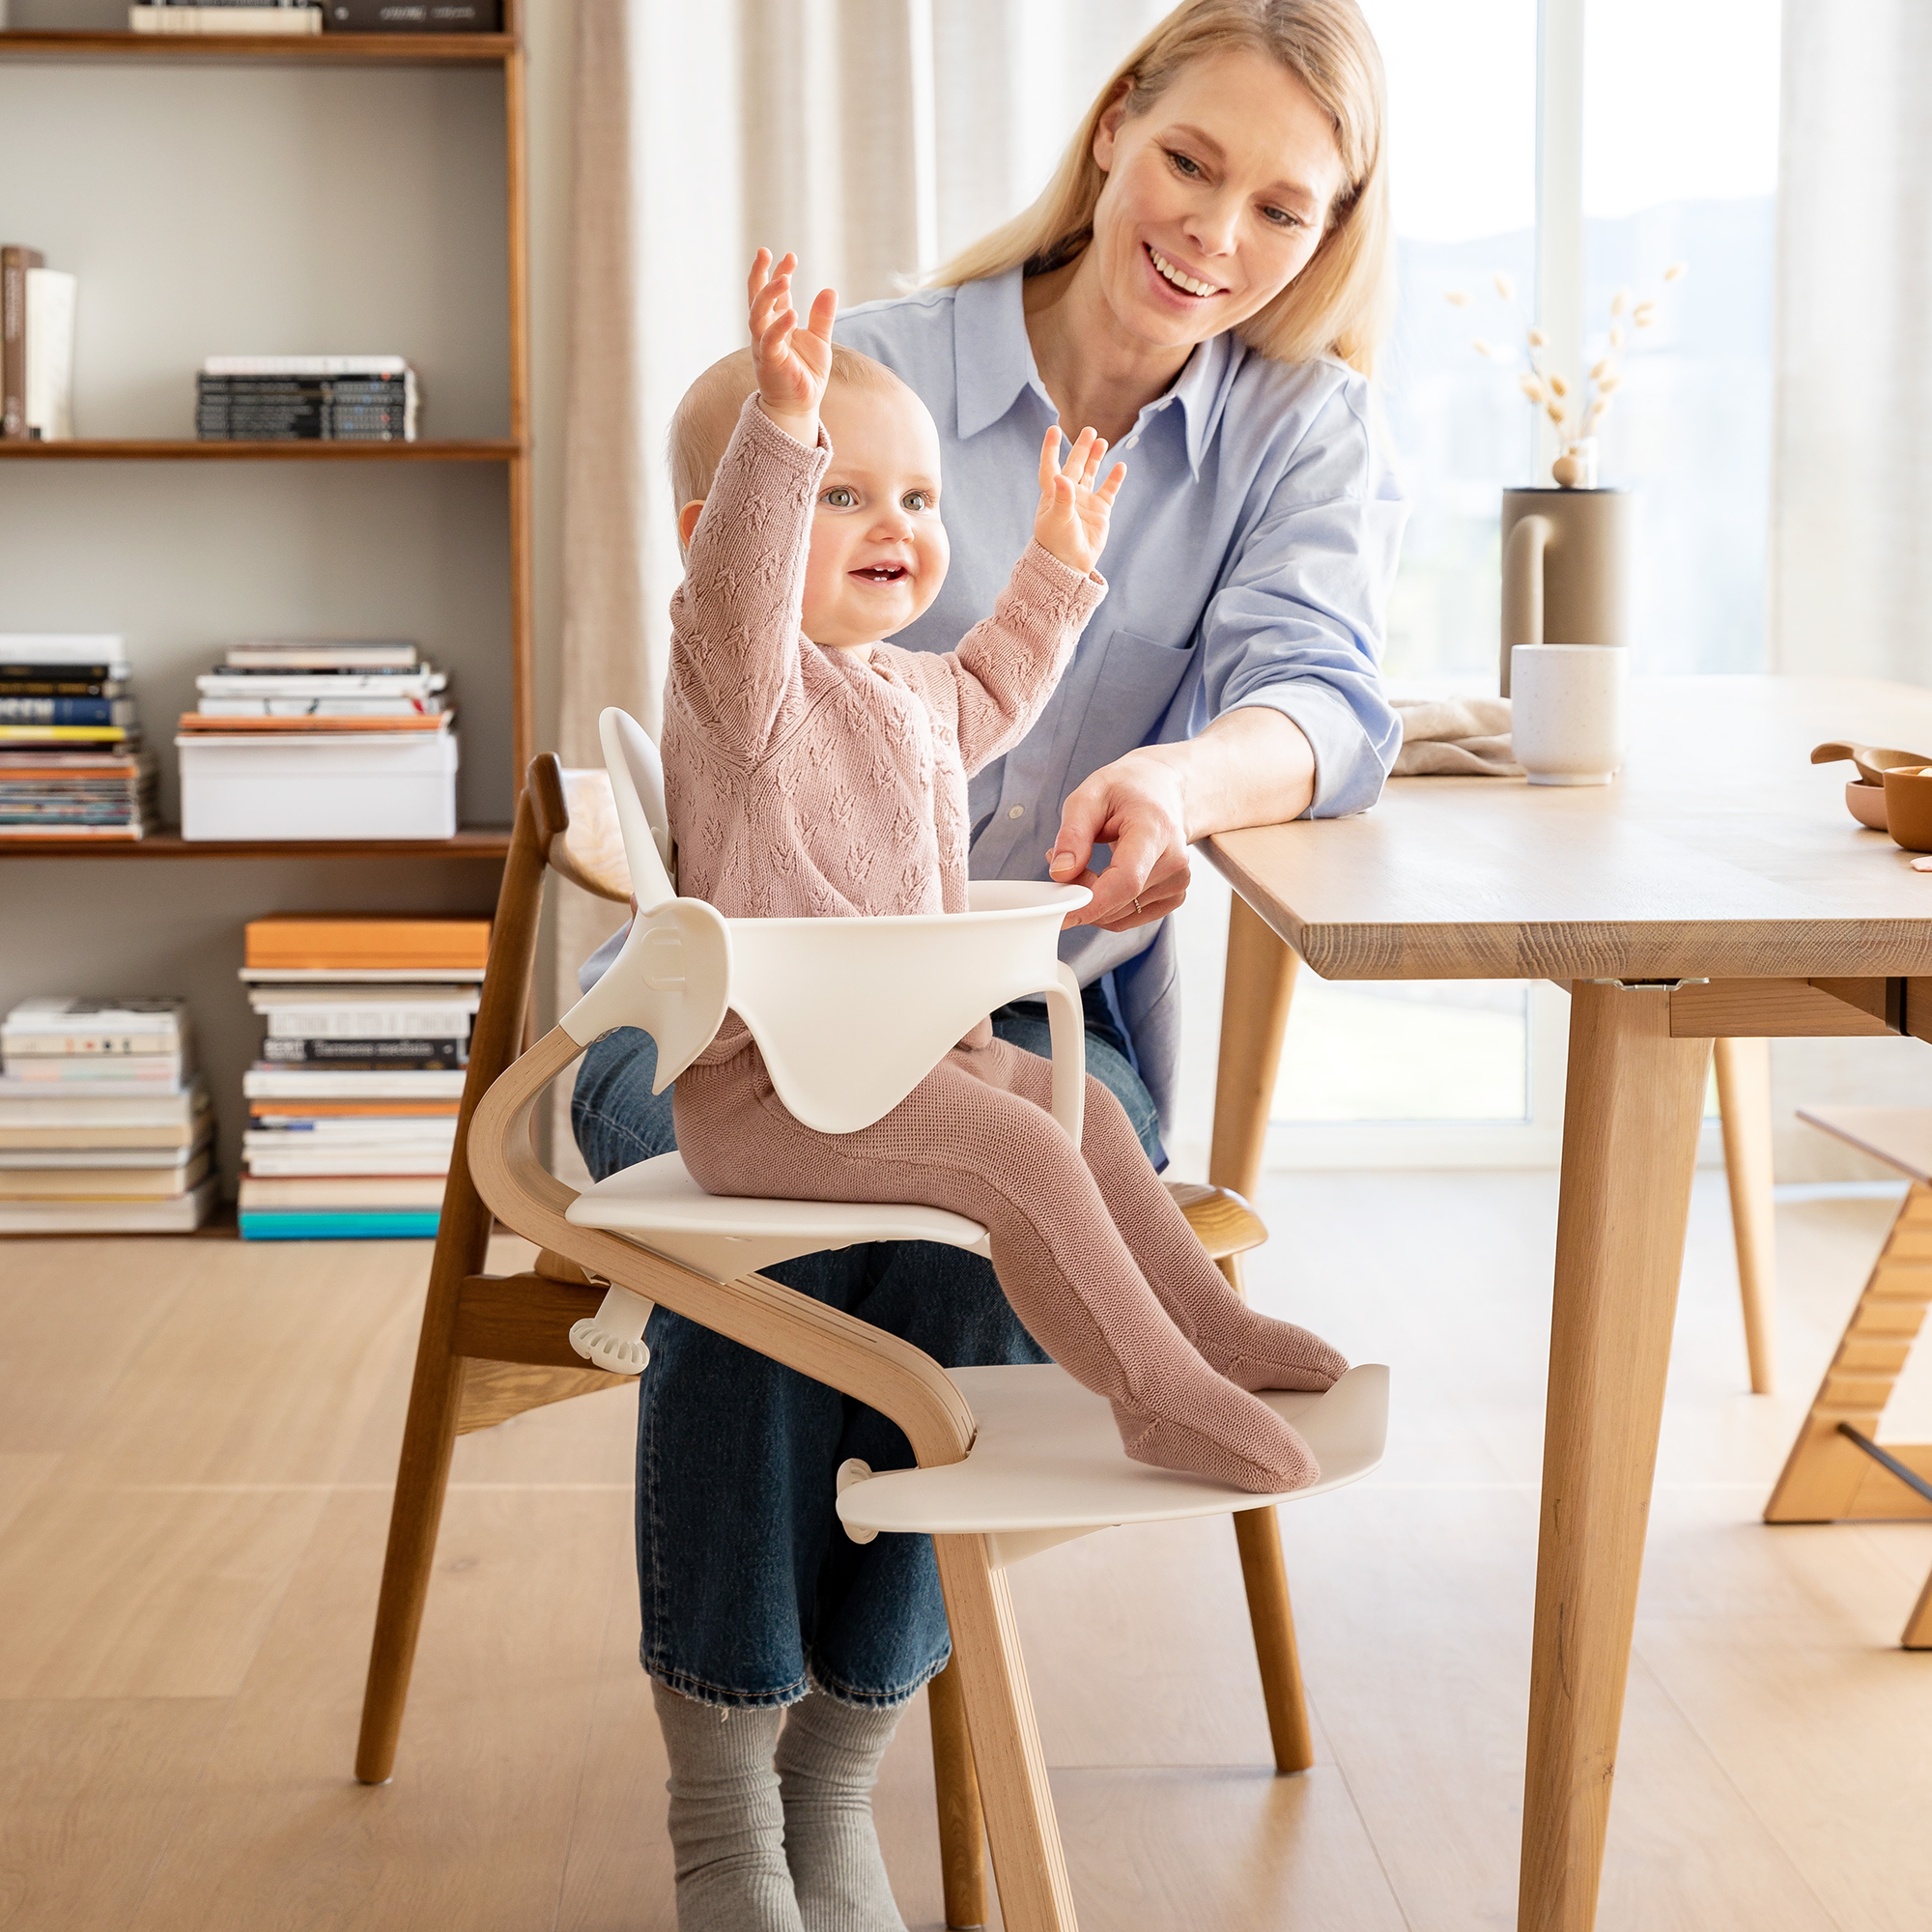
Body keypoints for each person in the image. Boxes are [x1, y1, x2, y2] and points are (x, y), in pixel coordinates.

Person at [572, 4, 1404, 1928]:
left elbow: (1290, 694)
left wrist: (1097, 635)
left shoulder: (1264, 441)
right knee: (853, 1220)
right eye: (1189, 161)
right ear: (1114, 130)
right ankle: (728, 1791)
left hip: (965, 1017)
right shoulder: (850, 432)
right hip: (728, 1032)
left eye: (1283, 205)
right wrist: (796, 416)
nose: (1214, 231)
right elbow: (733, 565)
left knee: (1039, 1130)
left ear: (1331, 229)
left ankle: (840, 1755)